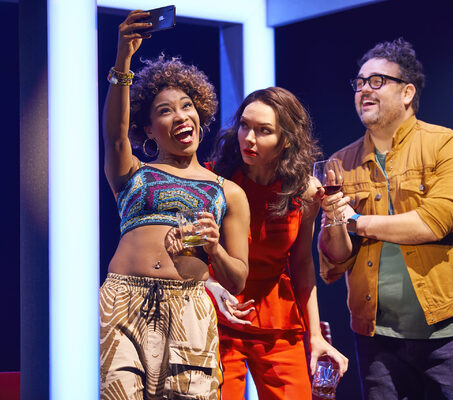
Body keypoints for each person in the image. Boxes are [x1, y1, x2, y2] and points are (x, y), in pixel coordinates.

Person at [317, 38, 453, 400]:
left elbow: (434, 222)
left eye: (377, 81)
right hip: (377, 338)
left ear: (407, 92)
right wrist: (333, 219)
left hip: (450, 331)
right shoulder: (341, 162)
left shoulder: (444, 144)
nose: (364, 88)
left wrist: (355, 221)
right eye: (360, 82)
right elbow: (335, 259)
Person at [99, 10, 250, 400]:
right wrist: (123, 60)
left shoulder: (227, 192)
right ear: (147, 129)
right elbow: (115, 135)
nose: (180, 115)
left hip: (189, 309)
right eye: (164, 111)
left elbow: (238, 279)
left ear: (201, 114)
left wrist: (214, 248)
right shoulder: (132, 172)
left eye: (187, 106)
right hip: (122, 302)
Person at [206, 87, 349, 400]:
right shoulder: (213, 181)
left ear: (287, 139)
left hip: (278, 319)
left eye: (264, 131)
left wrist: (315, 335)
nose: (249, 138)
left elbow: (301, 263)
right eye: (244, 125)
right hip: (221, 317)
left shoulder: (304, 191)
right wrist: (208, 285)